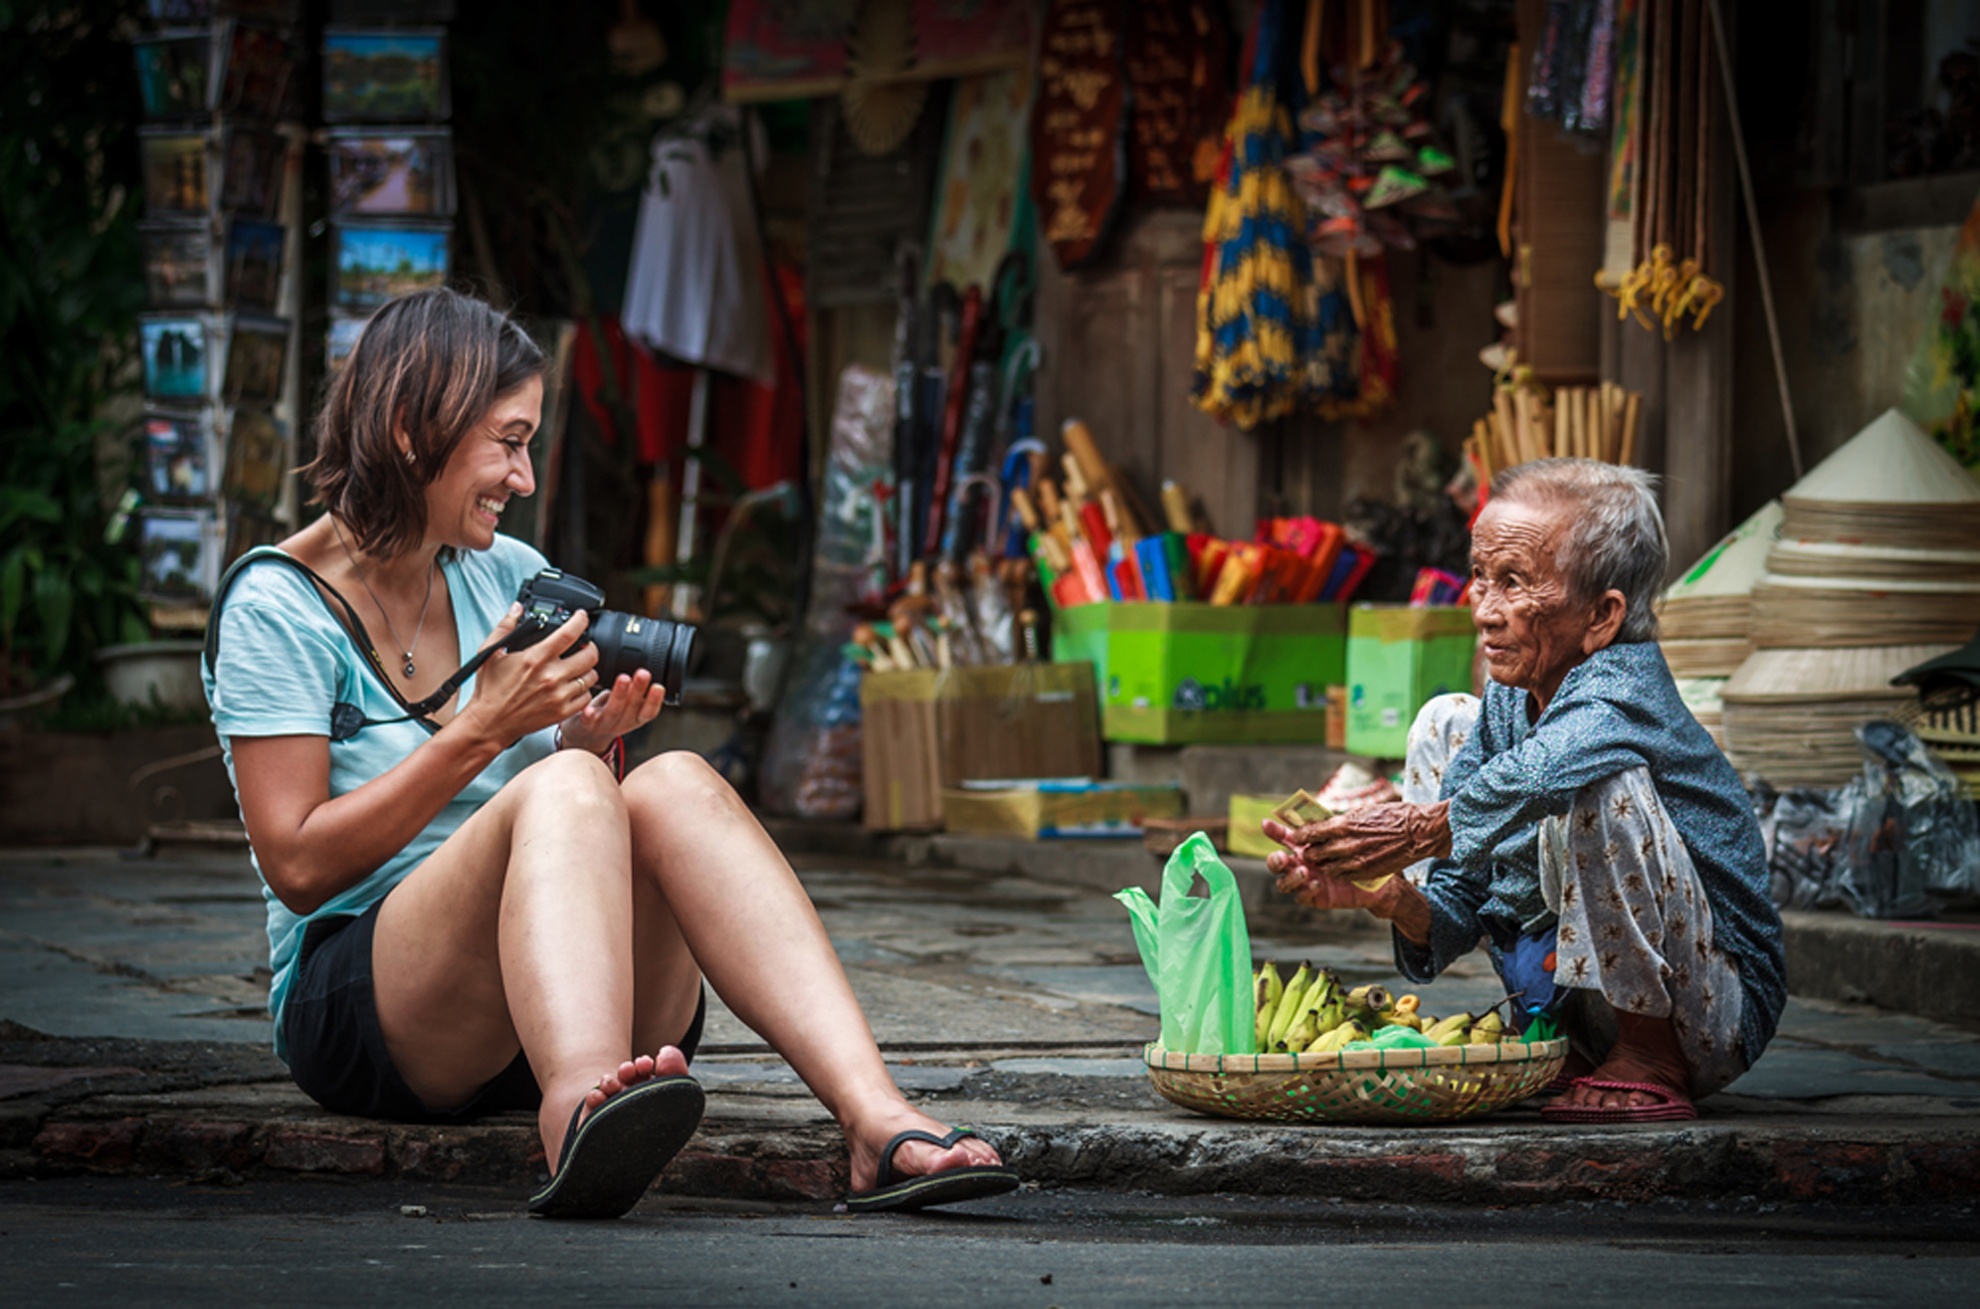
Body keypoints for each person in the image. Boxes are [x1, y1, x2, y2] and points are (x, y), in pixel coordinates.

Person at [201, 288, 1017, 1217]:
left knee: (670, 779)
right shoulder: (278, 606)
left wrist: (582, 744)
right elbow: (299, 863)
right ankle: (581, 1110)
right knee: (563, 788)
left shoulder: (504, 572)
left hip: (544, 995)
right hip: (370, 1007)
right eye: (508, 442)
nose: (525, 478)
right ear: (406, 426)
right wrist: (486, 732)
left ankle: (876, 1118)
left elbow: (562, 793)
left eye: (527, 445)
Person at [1263, 459, 1786, 1122]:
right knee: (1442, 719)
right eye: (1481, 576)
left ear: (1601, 615)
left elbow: (1539, 772)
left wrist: (1419, 827)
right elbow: (1462, 894)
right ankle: (1560, 1037)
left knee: (1598, 780)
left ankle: (1647, 1052)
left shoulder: (1625, 687)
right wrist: (1397, 897)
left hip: (1709, 1014)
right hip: (1568, 1002)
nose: (1484, 610)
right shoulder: (1508, 697)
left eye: (1514, 583)